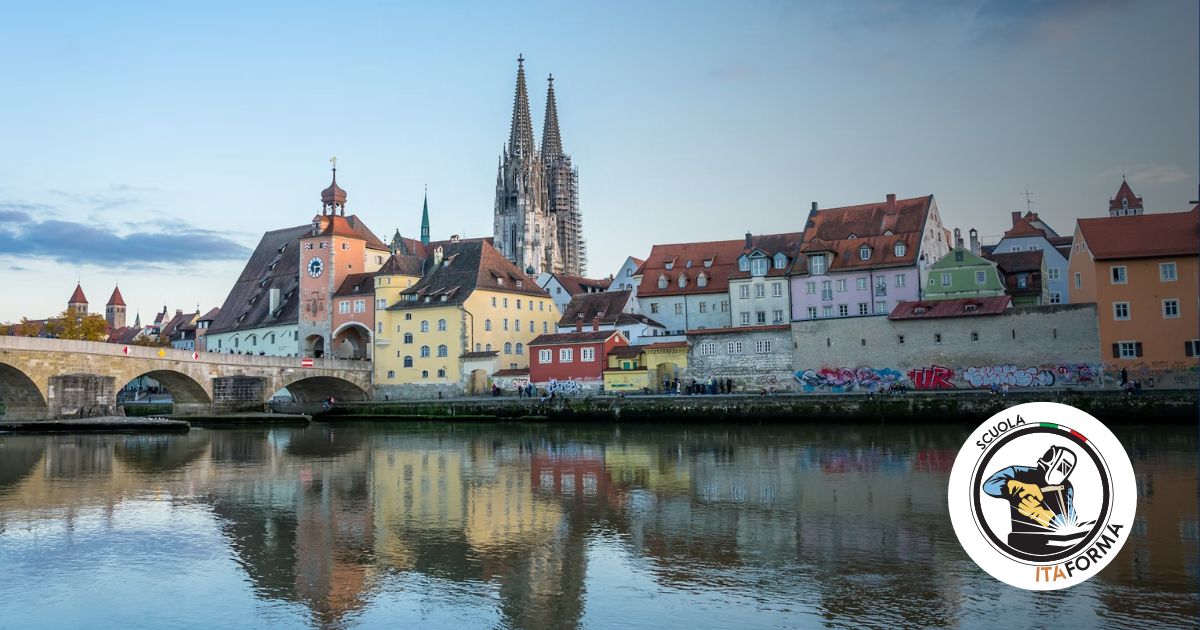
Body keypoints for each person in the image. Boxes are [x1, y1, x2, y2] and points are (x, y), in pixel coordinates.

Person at [982, 446, 1079, 554]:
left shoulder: (1066, 486)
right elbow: (989, 486)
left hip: (1054, 544)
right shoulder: (1018, 474)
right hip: (1021, 542)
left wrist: (1041, 515)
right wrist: (1014, 486)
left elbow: (1071, 520)